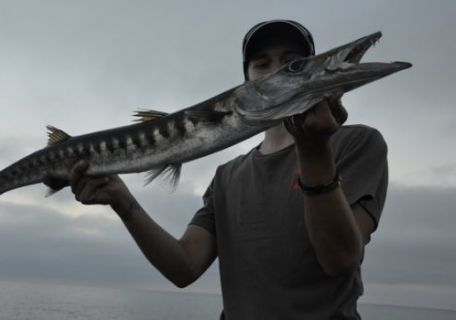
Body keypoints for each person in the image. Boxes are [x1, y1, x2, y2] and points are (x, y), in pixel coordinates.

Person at [45, 20, 388, 319]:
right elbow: (184, 266)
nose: (274, 71)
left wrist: (314, 154)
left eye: (293, 64)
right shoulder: (227, 177)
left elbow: (340, 259)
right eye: (261, 64)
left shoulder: (357, 144)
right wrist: (123, 202)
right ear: (246, 81)